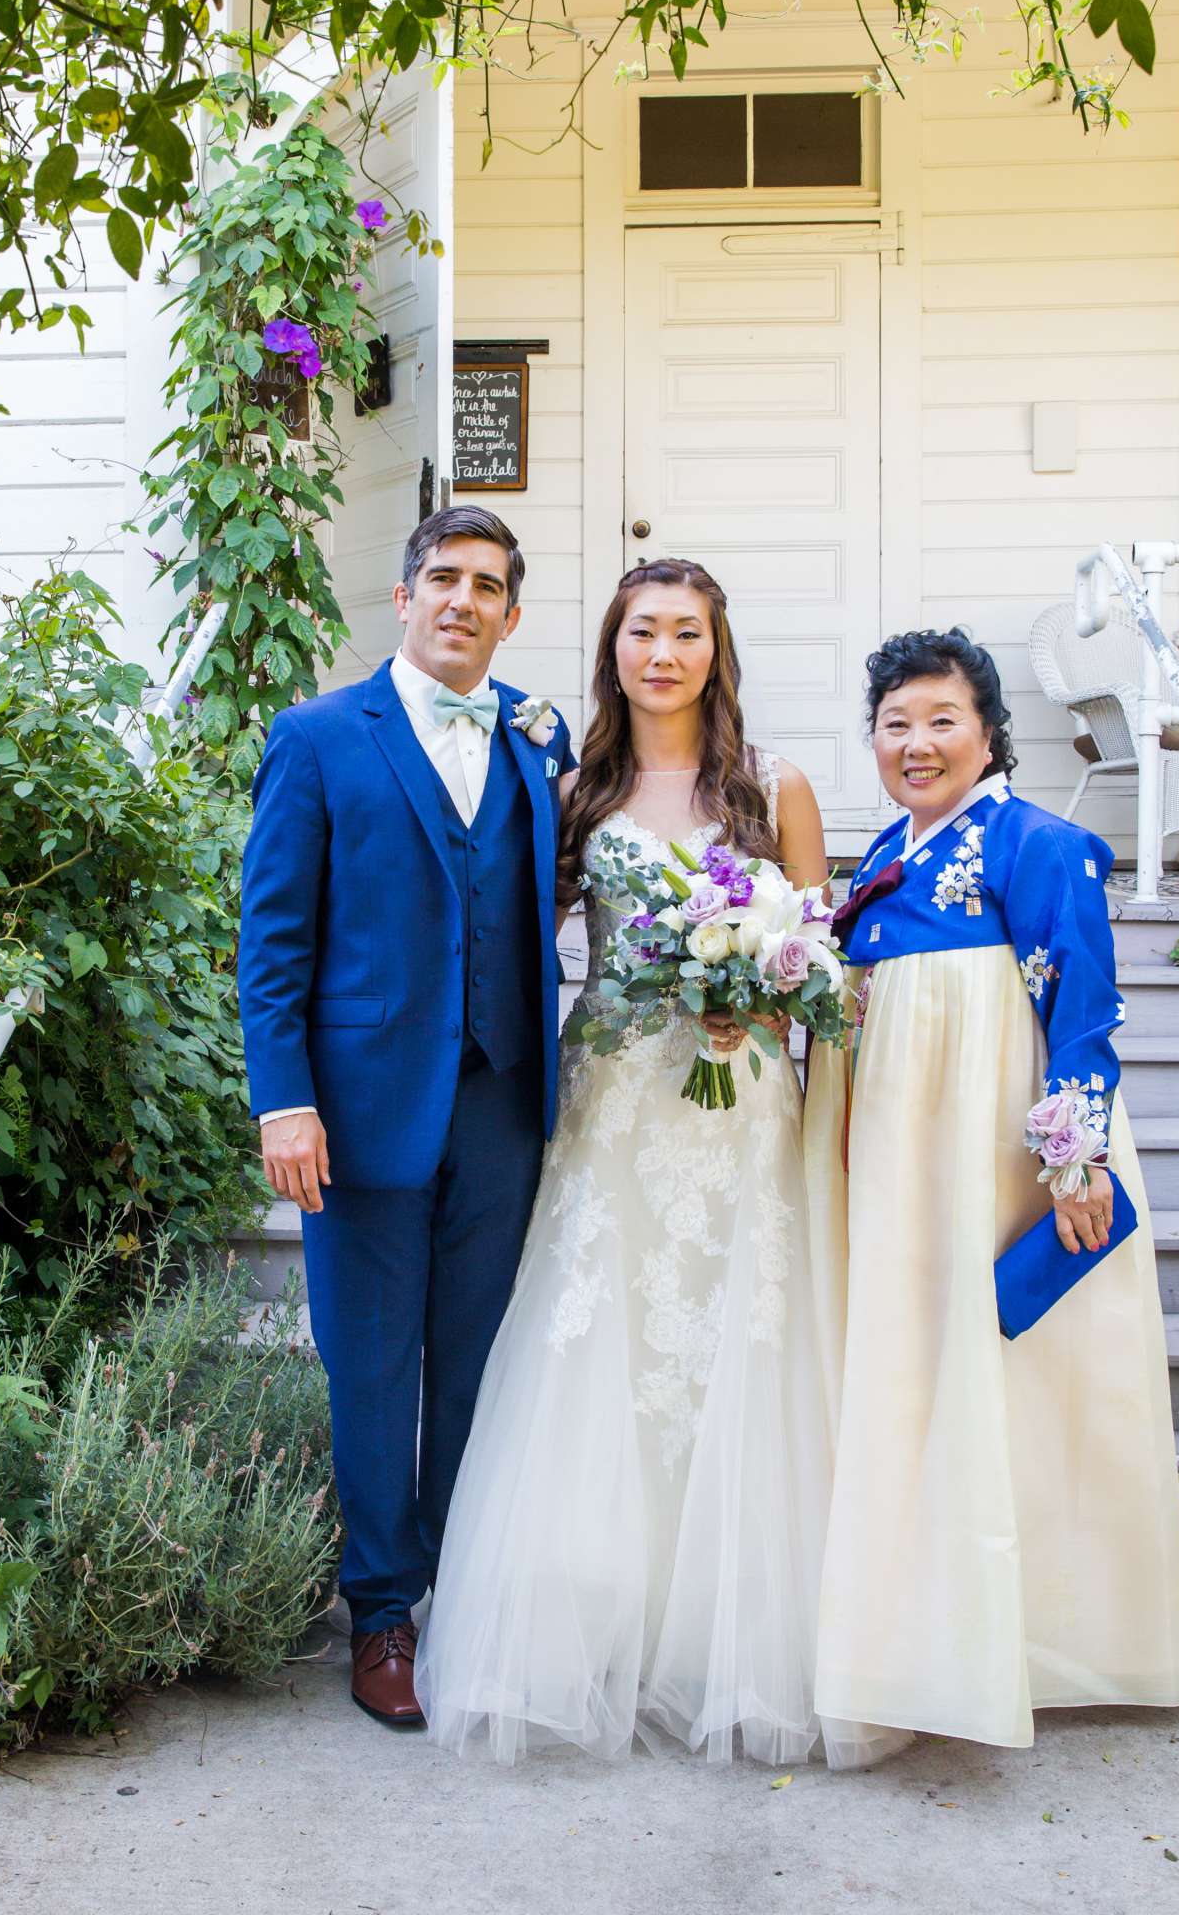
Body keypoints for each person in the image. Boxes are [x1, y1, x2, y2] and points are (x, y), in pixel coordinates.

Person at [416, 558, 886, 1766]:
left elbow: (819, 952)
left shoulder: (771, 786)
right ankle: (589, 1627)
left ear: (717, 651)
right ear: (612, 650)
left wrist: (762, 999)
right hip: (615, 1101)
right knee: (603, 1341)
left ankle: (728, 1639)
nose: (662, 653)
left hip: (736, 1111)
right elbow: (511, 930)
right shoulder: (573, 789)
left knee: (740, 1344)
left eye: (686, 632)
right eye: (641, 632)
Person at [805, 628, 1179, 1751]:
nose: (917, 743)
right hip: (903, 1148)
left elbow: (1080, 1000)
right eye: (895, 724)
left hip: (995, 1148)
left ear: (986, 732)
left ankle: (1051, 1640)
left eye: (941, 720)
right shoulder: (882, 851)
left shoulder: (1041, 843)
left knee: (1023, 1377)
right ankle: (931, 1618)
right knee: (925, 1364)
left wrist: (1072, 1159)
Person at [237, 506, 575, 1727]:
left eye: (488, 587)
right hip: (362, 1106)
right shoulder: (320, 738)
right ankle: (378, 1613)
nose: (462, 602)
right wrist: (284, 1099)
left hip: (502, 1101)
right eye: (443, 578)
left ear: (511, 614)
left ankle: (465, 1594)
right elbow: (271, 941)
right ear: (402, 595)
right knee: (374, 1367)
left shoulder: (542, 741)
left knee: (481, 1360)